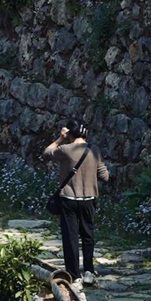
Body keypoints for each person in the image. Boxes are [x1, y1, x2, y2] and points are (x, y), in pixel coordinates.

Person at [43, 120, 109, 283]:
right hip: (89, 198)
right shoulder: (94, 150)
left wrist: (60, 138)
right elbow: (105, 176)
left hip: (69, 198)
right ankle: (89, 271)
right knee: (88, 234)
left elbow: (47, 152)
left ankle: (73, 274)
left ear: (70, 134)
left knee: (70, 237)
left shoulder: (65, 150)